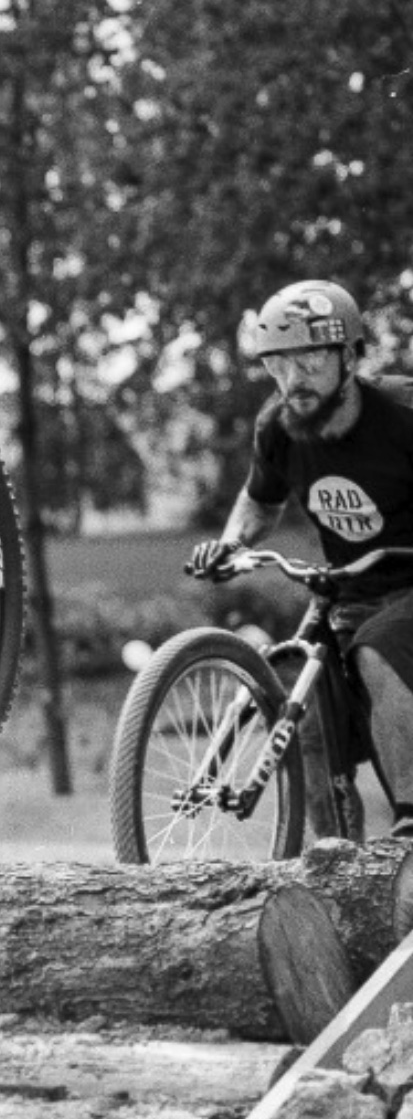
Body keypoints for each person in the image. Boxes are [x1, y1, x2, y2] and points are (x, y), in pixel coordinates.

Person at [190, 276, 413, 839]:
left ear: (350, 355)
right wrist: (232, 543)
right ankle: (338, 861)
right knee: (304, 699)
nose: (293, 380)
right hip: (349, 593)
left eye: (309, 359)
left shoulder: (404, 413)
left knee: (377, 650)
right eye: (277, 364)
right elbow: (259, 502)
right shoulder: (279, 429)